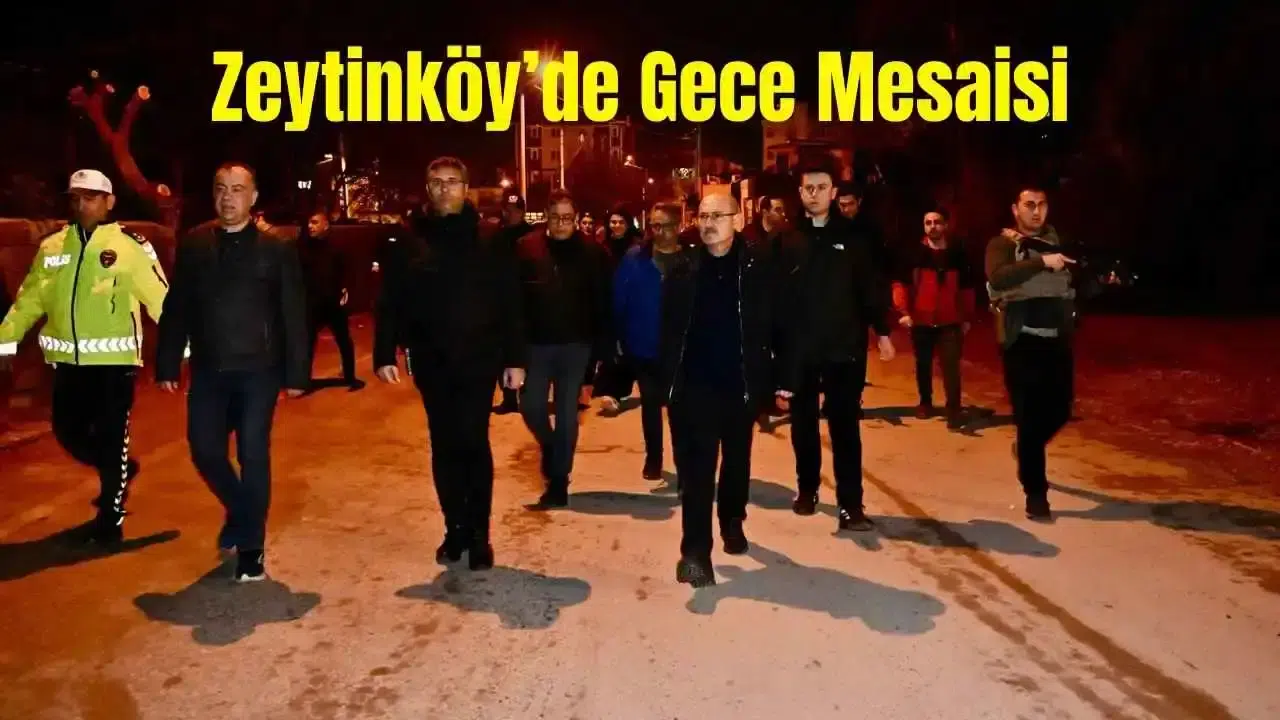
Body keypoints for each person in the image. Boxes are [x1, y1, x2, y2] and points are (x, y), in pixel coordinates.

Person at [156, 161, 310, 582]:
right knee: (204, 450)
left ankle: (251, 547)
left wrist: (297, 374)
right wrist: (168, 360)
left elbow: (293, 313)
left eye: (238, 189)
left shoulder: (275, 248)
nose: (228, 197)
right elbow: (177, 306)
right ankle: (242, 512)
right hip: (210, 369)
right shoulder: (195, 244)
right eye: (221, 188)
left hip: (259, 370)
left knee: (252, 453)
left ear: (253, 197)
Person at [0, 169, 169, 545]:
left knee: (112, 438)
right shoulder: (53, 247)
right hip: (68, 365)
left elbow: (159, 298)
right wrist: (4, 341)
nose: (81, 205)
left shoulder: (130, 246)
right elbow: (30, 299)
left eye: (90, 197)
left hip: (114, 366)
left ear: (110, 202)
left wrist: (184, 345)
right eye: (75, 198)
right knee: (68, 432)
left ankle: (110, 520)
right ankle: (119, 468)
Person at [374, 157, 525, 570]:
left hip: (479, 357)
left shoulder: (490, 238)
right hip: (431, 359)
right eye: (437, 182)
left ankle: (479, 534)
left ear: (466, 188)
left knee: (473, 441)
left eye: (453, 181)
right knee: (443, 445)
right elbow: (391, 298)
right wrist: (384, 351)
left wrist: (515, 358)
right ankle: (454, 528)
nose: (445, 189)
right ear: (428, 188)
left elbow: (510, 301)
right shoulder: (410, 240)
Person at [660, 194, 794, 587]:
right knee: (697, 472)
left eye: (717, 216)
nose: (708, 223)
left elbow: (781, 325)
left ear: (737, 220)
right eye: (703, 215)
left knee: (736, 461)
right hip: (695, 386)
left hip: (741, 385)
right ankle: (695, 554)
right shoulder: (683, 268)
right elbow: (668, 330)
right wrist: (666, 381)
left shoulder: (758, 267)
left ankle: (732, 519)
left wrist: (784, 379)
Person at [783, 164, 895, 531]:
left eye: (821, 187)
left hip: (844, 346)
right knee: (803, 424)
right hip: (801, 349)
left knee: (845, 427)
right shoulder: (787, 240)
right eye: (808, 188)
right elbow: (774, 297)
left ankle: (851, 505)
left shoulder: (854, 237)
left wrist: (882, 331)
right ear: (800, 193)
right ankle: (807, 489)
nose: (814, 193)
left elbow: (869, 287)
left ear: (833, 193)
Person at [515, 190, 612, 509]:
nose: (561, 223)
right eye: (555, 217)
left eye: (567, 217)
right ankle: (551, 446)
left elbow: (602, 303)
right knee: (531, 406)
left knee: (567, 411)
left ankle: (559, 480)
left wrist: (600, 353)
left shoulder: (593, 252)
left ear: (577, 218)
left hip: (576, 345)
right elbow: (514, 300)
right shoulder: (527, 247)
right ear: (546, 216)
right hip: (536, 345)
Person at [985, 185, 1077, 521]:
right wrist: (1041, 263)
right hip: (1021, 341)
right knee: (1029, 417)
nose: (1036, 211)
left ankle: (1026, 446)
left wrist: (1103, 280)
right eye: (1029, 205)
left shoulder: (1059, 242)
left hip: (1056, 341)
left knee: (1061, 410)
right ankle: (1035, 493)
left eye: (1041, 205)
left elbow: (1073, 286)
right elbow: (998, 278)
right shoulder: (1002, 244)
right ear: (1015, 209)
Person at [612, 201, 689, 480]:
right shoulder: (636, 258)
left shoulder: (690, 261)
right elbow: (619, 299)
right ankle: (653, 458)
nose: (658, 231)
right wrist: (618, 336)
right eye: (654, 225)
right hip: (643, 345)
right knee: (650, 404)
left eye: (664, 226)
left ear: (678, 226)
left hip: (680, 349)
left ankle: (684, 462)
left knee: (680, 409)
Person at [893, 207, 976, 429]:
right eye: (928, 222)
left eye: (937, 222)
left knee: (951, 365)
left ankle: (954, 409)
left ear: (946, 225)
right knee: (923, 363)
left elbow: (967, 287)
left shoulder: (958, 254)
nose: (932, 226)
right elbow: (901, 283)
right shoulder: (914, 253)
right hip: (921, 319)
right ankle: (925, 402)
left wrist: (967, 317)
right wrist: (904, 312)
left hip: (950, 319)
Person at [298, 209, 363, 391]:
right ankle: (304, 381)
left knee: (344, 341)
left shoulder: (337, 246)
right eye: (309, 223)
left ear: (325, 224)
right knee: (307, 343)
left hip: (334, 304)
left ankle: (350, 378)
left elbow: (347, 270)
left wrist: (345, 289)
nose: (310, 226)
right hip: (312, 304)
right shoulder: (302, 248)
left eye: (315, 222)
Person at [492, 193, 533, 415]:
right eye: (508, 210)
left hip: (527, 299)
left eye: (515, 210)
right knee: (502, 350)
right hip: (501, 300)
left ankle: (527, 396)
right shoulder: (496, 237)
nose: (511, 214)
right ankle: (509, 397)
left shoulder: (531, 236)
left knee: (527, 351)